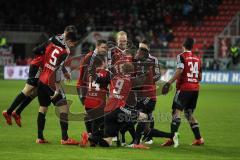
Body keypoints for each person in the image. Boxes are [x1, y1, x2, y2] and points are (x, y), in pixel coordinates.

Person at [2, 26, 75, 127]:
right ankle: (9, 112)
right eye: (68, 34)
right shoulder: (57, 40)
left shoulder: (58, 41)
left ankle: (17, 112)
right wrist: (41, 55)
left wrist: (64, 71)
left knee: (36, 91)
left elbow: (57, 61)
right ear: (65, 33)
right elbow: (38, 50)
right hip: (38, 66)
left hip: (43, 67)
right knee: (28, 90)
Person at [79, 62, 148, 148]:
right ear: (131, 71)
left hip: (108, 111)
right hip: (118, 109)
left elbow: (99, 79)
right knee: (144, 117)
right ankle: (137, 143)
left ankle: (89, 137)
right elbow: (142, 82)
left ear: (121, 70)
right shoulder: (130, 80)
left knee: (108, 142)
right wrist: (144, 71)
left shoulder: (113, 77)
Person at [36, 26, 78, 145]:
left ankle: (40, 137)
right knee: (64, 108)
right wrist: (58, 89)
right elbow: (57, 71)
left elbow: (48, 60)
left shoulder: (52, 44)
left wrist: (64, 71)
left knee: (43, 108)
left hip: (42, 80)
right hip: (51, 84)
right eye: (73, 44)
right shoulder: (65, 51)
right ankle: (65, 138)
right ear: (69, 41)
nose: (73, 46)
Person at [161, 37, 204, 146]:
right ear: (192, 46)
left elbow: (179, 70)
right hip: (195, 89)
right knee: (189, 113)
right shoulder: (198, 59)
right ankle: (199, 138)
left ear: (183, 45)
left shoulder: (181, 56)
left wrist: (169, 82)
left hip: (184, 89)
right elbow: (200, 77)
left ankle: (172, 138)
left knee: (176, 112)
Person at [76, 39, 108, 135]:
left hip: (95, 89)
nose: (105, 49)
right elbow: (84, 76)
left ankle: (94, 134)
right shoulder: (90, 57)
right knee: (89, 113)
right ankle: (91, 134)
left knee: (96, 113)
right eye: (103, 47)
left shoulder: (101, 57)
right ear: (97, 46)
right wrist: (83, 94)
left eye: (106, 48)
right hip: (86, 88)